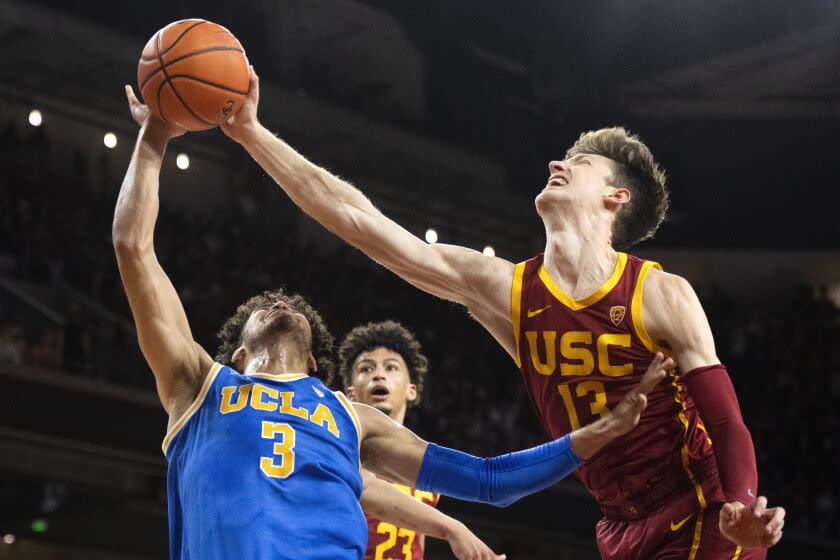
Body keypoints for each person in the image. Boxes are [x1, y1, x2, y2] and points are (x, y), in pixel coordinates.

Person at [221, 66, 786, 559]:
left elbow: (727, 420)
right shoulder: (508, 290)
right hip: (617, 523)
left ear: (617, 198)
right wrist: (252, 135)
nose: (556, 163)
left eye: (580, 163)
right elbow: (359, 220)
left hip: (698, 508)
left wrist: (740, 505)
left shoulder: (658, 293)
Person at [115, 84, 670, 560]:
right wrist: (153, 139)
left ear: (313, 365)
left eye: (296, 308)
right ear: (236, 355)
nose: (281, 303)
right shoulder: (199, 385)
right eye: (263, 308)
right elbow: (133, 248)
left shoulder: (350, 419)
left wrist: (597, 432)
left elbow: (489, 481)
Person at [339, 320, 441, 560]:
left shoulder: (428, 464)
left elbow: (418, 542)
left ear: (411, 390)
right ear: (350, 394)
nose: (378, 375)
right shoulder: (336, 451)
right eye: (366, 369)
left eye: (391, 368)